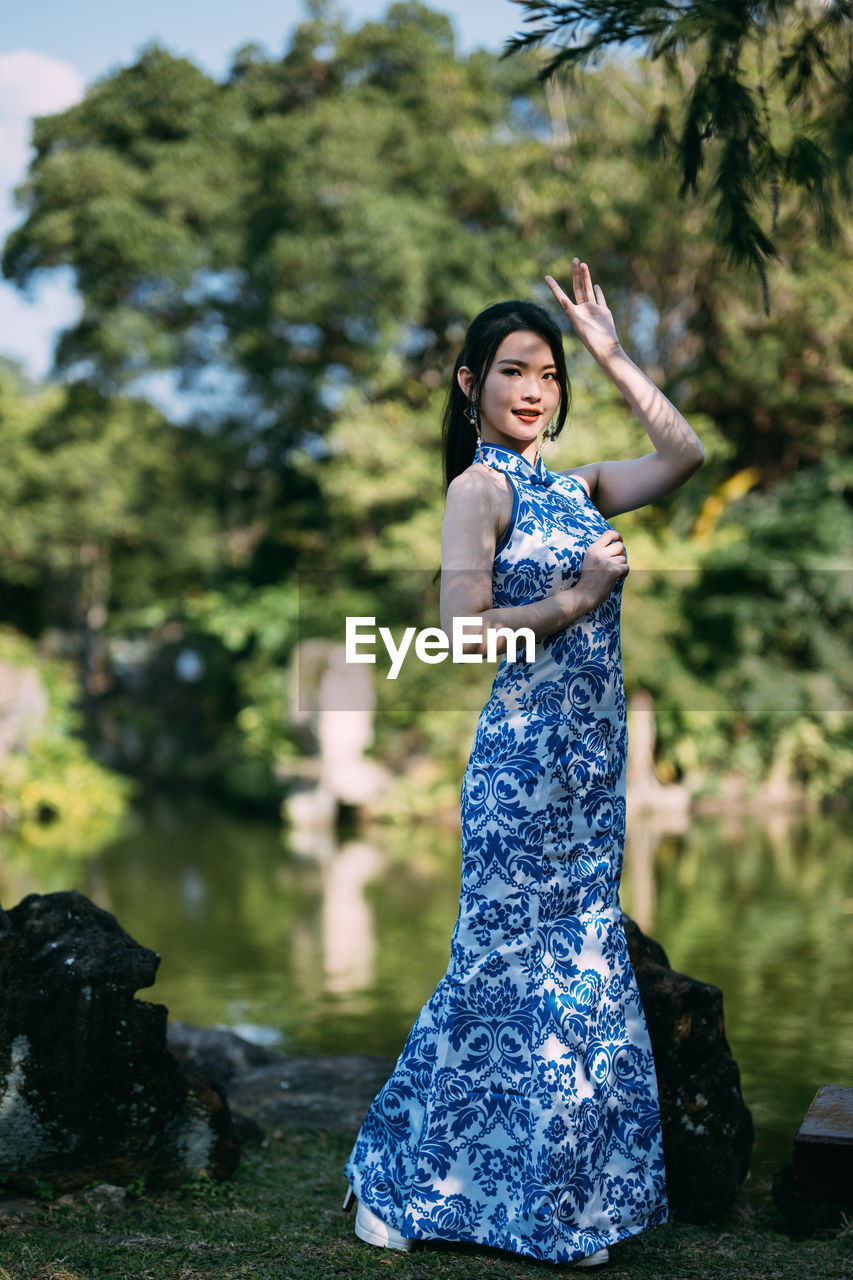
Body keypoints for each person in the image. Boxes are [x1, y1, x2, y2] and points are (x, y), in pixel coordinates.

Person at [341, 259, 705, 1268]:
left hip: (591, 771)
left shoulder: (578, 487)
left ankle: (556, 1205)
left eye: (548, 372)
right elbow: (459, 636)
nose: (534, 388)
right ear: (471, 384)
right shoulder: (477, 490)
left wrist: (613, 351)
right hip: (520, 768)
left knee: (575, 978)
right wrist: (572, 600)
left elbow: (683, 454)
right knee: (497, 978)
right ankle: (396, 1189)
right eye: (512, 369)